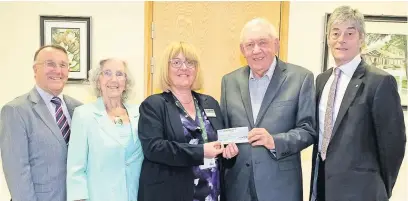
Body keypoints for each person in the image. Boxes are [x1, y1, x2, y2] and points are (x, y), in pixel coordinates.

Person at [310, 6, 406, 201]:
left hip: (362, 192)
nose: (341, 39)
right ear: (328, 38)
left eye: (349, 33)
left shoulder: (379, 82)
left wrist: (380, 188)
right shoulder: (321, 80)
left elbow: (394, 145)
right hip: (322, 189)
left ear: (361, 39)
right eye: (335, 33)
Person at [220, 18, 316, 201]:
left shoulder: (301, 78)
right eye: (250, 45)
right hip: (237, 187)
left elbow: (308, 130)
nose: (256, 50)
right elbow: (225, 130)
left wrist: (275, 141)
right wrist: (226, 149)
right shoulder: (229, 81)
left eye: (263, 42)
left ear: (276, 44)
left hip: (280, 188)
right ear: (242, 50)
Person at [137, 41, 239, 201]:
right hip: (171, 193)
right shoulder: (153, 105)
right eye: (176, 62)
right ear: (166, 68)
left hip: (211, 193)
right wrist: (202, 152)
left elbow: (220, 143)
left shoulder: (210, 103)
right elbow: (154, 148)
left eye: (190, 62)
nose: (184, 68)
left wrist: (229, 153)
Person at [0, 45, 82, 201]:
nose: (58, 71)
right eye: (50, 64)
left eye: (63, 65)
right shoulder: (16, 111)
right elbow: (17, 172)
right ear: (35, 69)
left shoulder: (79, 109)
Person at [66, 58, 144, 201]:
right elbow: (76, 169)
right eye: (107, 73)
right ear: (98, 81)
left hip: (136, 195)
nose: (114, 79)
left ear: (126, 82)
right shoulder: (84, 115)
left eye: (120, 74)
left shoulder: (140, 113)